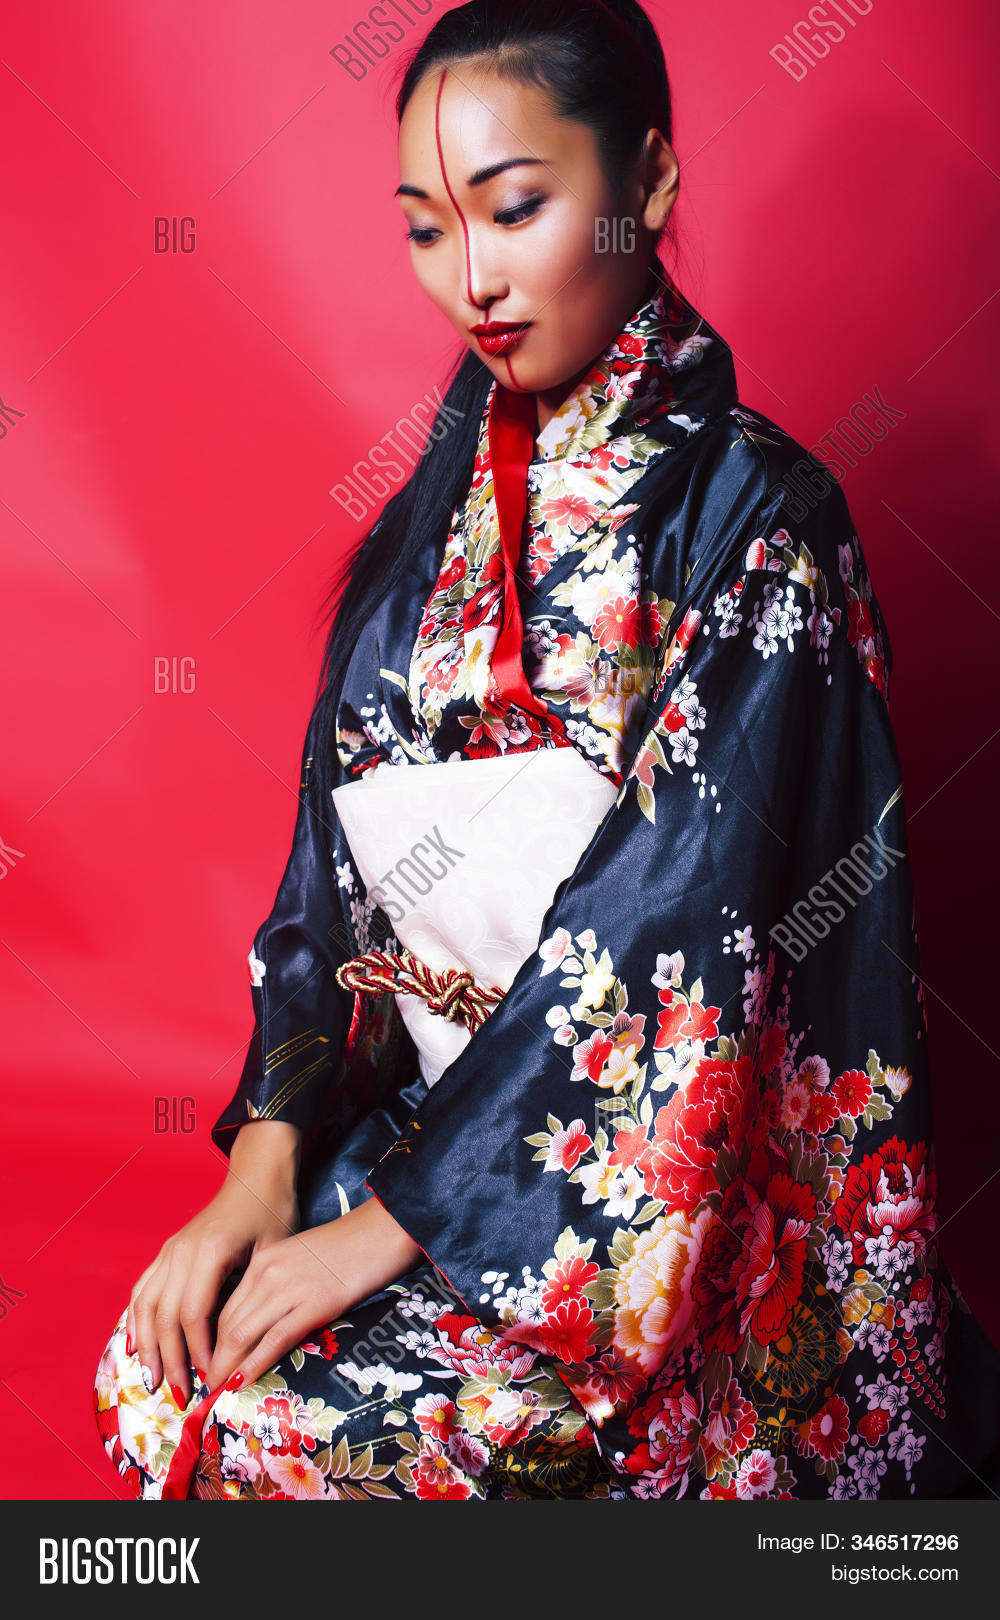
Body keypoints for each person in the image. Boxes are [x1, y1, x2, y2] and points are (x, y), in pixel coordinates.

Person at [94, 0, 1000, 1501]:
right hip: (436, 1136)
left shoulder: (762, 522)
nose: (473, 280)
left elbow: (673, 934)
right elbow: (331, 887)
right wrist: (264, 1170)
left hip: (662, 1212)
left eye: (515, 209)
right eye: (426, 229)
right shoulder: (429, 527)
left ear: (648, 179)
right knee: (161, 1379)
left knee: (291, 1441)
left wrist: (389, 1231)